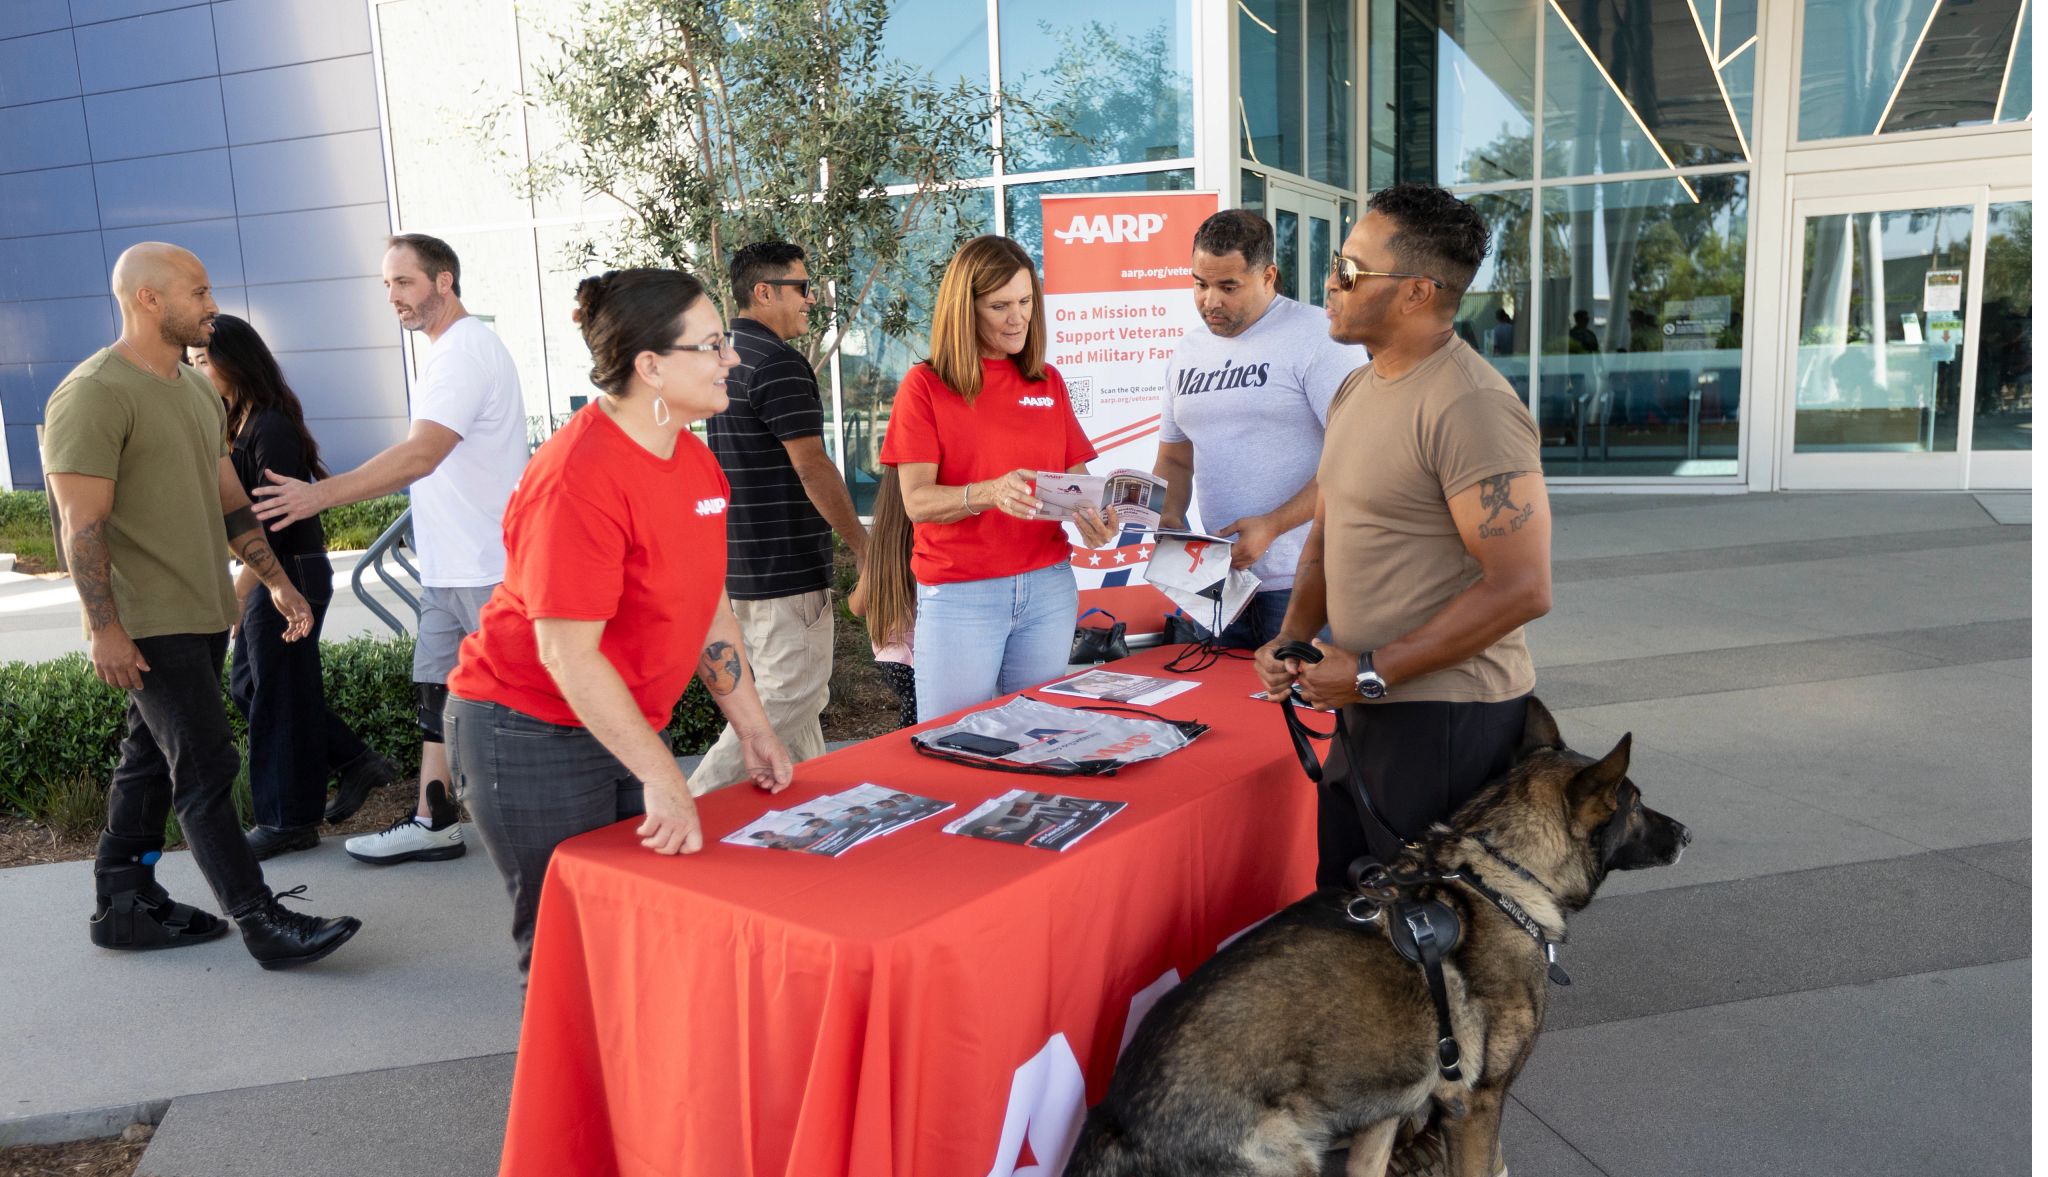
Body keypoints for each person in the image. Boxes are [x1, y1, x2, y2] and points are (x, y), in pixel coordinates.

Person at [444, 267, 795, 971]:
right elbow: (569, 655)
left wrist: (753, 727)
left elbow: (709, 608)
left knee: (631, 940)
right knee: (566, 953)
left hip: (617, 724)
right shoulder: (577, 478)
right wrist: (665, 775)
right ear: (652, 366)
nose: (731, 359)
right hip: (526, 731)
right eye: (714, 344)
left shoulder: (695, 459)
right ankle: (566, 1086)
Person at [41, 242, 361, 968]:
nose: (212, 304)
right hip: (147, 619)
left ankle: (123, 899)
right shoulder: (92, 391)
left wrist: (276, 579)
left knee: (148, 759)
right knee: (207, 767)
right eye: (199, 291)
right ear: (147, 299)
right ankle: (262, 922)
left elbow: (230, 502)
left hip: (203, 609)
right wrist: (105, 627)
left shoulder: (193, 391)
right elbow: (80, 525)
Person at [1255, 184, 1553, 888]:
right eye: (1336, 262)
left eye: (1351, 270)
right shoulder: (1357, 390)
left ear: (1418, 292)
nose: (1329, 282)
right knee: (1351, 917)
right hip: (1369, 705)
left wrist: (1368, 669)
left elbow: (1523, 586)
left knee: (1428, 942)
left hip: (1446, 718)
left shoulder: (1471, 405)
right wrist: (1292, 637)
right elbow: (1330, 533)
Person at [252, 233, 527, 866]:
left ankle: (586, 821)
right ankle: (434, 822)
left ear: (445, 281)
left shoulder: (463, 353)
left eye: (404, 283)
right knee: (436, 688)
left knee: (527, 699)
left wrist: (320, 496)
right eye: (386, 286)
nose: (393, 297)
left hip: (489, 567)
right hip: (452, 566)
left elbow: (421, 454)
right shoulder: (448, 353)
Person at [878, 235, 1116, 721]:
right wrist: (988, 492)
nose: (1019, 317)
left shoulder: (1047, 381)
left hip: (1048, 588)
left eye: (1027, 301)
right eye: (1000, 305)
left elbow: (1078, 482)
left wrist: (1098, 518)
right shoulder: (925, 387)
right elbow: (917, 502)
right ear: (966, 310)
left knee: (1039, 738)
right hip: (962, 593)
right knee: (955, 742)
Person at [189, 315, 399, 858]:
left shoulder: (270, 428)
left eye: (202, 362)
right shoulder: (239, 423)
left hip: (290, 571)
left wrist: (245, 592)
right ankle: (354, 761)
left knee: (277, 693)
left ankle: (287, 822)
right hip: (273, 573)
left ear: (235, 362)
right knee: (253, 689)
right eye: (190, 363)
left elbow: (272, 521)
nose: (196, 372)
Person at [693, 241, 868, 792]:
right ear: (764, 291)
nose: (812, 299)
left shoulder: (724, 358)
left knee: (799, 705)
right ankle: (689, 801)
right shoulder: (781, 364)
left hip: (742, 566)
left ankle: (809, 817)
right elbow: (812, 466)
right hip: (785, 569)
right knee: (787, 698)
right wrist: (864, 546)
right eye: (802, 286)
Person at [1152, 210, 1366, 649]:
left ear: (1268, 276)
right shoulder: (1187, 351)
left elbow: (1360, 457)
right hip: (1216, 585)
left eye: (1228, 287)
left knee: (1312, 715)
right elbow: (1175, 456)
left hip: (1307, 581)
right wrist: (1171, 516)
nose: (1211, 300)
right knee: (1225, 712)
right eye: (1200, 284)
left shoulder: (1319, 338)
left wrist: (1273, 524)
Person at [847, 466, 917, 728]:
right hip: (918, 657)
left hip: (892, 659)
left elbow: (857, 607)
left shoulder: (883, 548)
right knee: (922, 722)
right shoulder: (929, 547)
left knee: (913, 715)